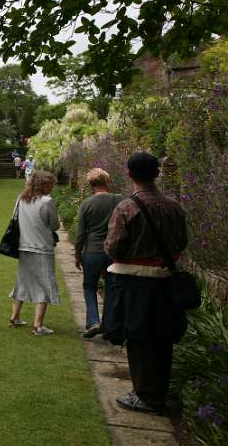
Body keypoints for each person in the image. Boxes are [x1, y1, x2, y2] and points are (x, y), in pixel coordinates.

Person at [104, 152, 188, 415]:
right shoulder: (175, 206)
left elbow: (114, 246)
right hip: (165, 280)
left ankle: (146, 396)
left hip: (135, 282)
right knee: (162, 336)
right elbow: (182, 242)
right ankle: (158, 392)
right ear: (157, 173)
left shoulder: (127, 207)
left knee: (139, 338)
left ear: (129, 174)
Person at [8, 170, 61, 335]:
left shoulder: (21, 199)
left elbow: (14, 218)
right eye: (50, 184)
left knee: (23, 281)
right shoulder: (46, 202)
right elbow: (55, 225)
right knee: (45, 284)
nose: (52, 188)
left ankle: (15, 317)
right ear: (43, 185)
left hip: (23, 247)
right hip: (42, 248)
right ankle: (38, 326)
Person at [74, 168, 124, 338]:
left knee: (89, 286)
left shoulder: (86, 204)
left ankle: (94, 321)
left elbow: (80, 233)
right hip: (113, 252)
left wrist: (77, 254)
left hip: (92, 251)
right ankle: (109, 327)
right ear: (107, 182)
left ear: (91, 185)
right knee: (111, 288)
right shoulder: (119, 200)